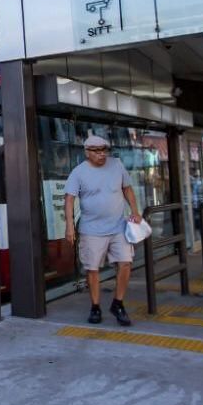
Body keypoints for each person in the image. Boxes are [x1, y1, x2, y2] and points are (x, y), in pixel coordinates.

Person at [64, 135, 142, 326]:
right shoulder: (78, 172)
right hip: (91, 229)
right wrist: (69, 226)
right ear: (87, 152)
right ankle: (95, 307)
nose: (101, 154)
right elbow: (69, 199)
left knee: (125, 263)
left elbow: (127, 189)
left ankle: (118, 303)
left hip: (118, 226)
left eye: (104, 150)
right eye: (97, 151)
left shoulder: (116, 164)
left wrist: (135, 211)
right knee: (92, 269)